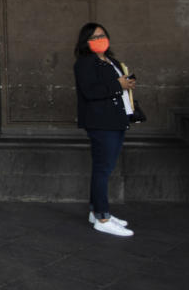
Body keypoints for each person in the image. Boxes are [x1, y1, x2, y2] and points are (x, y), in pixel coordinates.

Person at [74, 22, 136, 237]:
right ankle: (102, 217)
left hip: (117, 119)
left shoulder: (111, 61)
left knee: (105, 168)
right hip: (101, 123)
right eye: (94, 37)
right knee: (103, 169)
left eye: (102, 35)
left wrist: (126, 83)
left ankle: (96, 211)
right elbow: (90, 91)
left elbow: (116, 85)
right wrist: (118, 85)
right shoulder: (85, 63)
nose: (99, 39)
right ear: (86, 42)